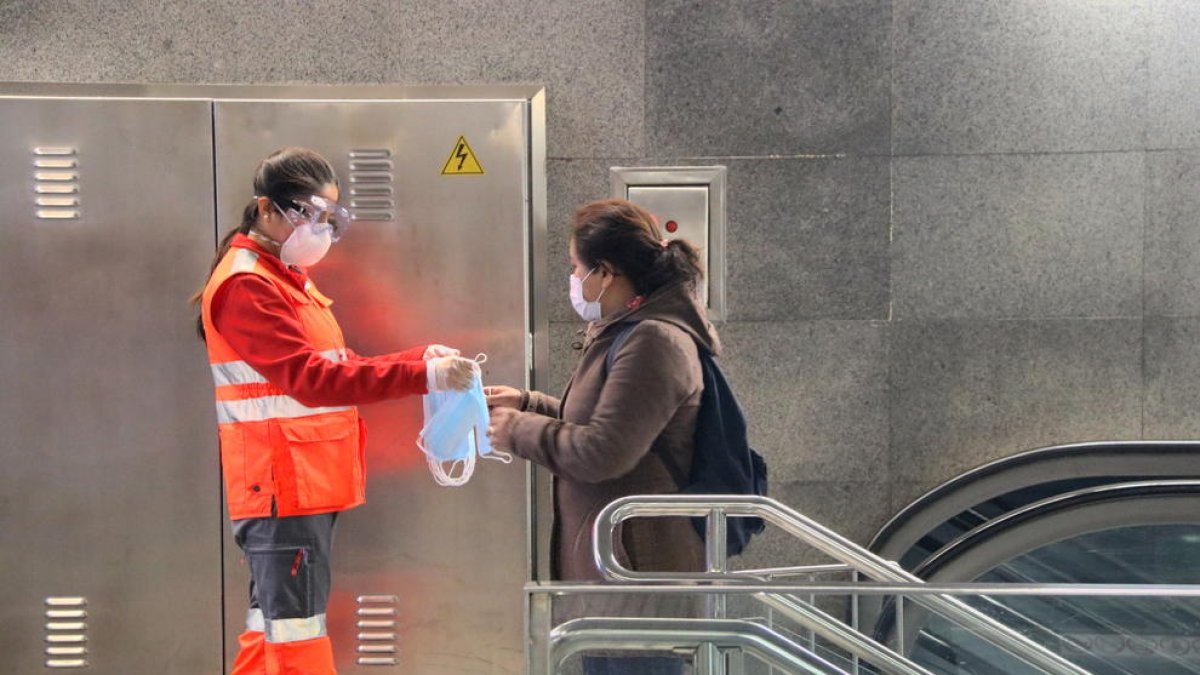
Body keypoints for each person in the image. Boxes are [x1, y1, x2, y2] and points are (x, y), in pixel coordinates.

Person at [191, 146, 478, 674]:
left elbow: (341, 363)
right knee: (296, 632)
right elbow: (312, 379)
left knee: (273, 626)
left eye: (331, 219)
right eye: (311, 214)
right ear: (266, 208)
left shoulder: (282, 279)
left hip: (301, 482)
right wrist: (422, 377)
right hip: (282, 486)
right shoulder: (247, 285)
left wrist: (420, 359)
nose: (321, 229)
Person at [485, 198, 719, 675]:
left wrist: (517, 431)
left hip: (639, 590)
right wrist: (527, 404)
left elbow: (603, 452)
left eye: (576, 268)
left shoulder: (654, 341)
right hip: (611, 587)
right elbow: (605, 423)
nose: (574, 280)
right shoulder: (625, 332)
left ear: (606, 273)